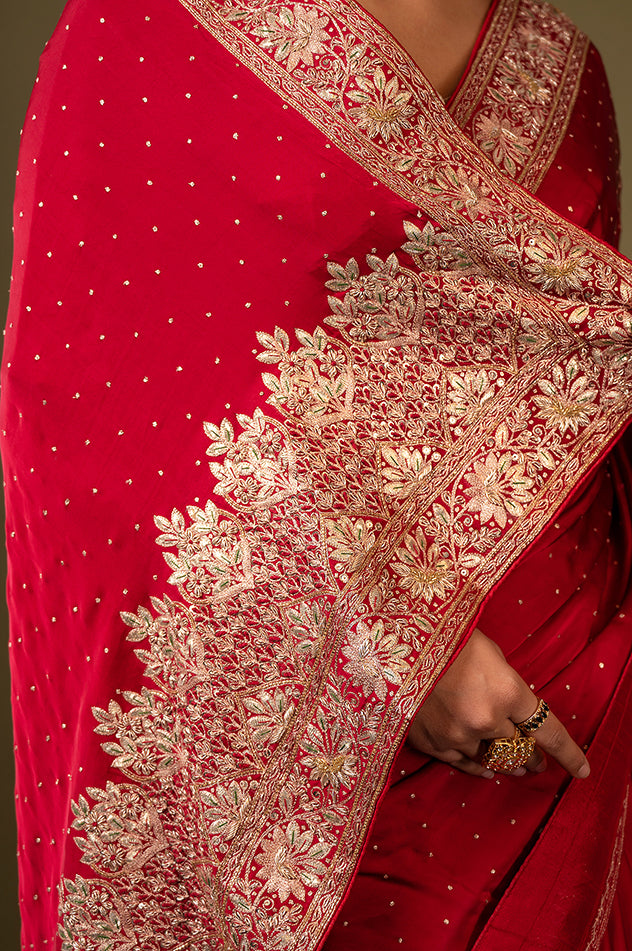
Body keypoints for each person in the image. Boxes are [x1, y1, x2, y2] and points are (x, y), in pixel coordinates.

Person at [3, 0, 632, 948]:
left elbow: (581, 389)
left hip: (575, 702)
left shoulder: (565, 68)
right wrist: (393, 647)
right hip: (299, 757)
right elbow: (85, 429)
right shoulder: (146, 29)